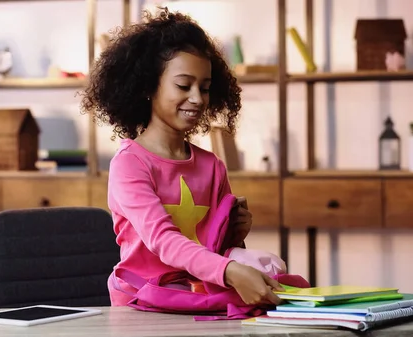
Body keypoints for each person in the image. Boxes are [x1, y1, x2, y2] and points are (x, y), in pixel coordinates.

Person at [79, 7, 285, 307]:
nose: (197, 99)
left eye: (204, 88)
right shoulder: (130, 164)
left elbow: (213, 251)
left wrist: (236, 235)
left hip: (197, 297)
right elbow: (163, 241)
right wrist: (230, 271)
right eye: (183, 85)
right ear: (148, 86)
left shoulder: (211, 165)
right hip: (142, 305)